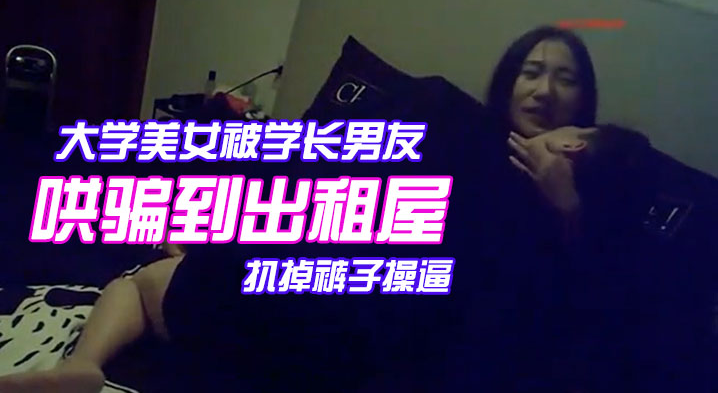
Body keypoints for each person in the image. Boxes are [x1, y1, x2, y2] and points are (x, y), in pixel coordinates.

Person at [0, 25, 610, 392]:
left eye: (564, 78)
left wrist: (567, 204)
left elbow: (575, 305)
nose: (544, 89)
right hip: (321, 277)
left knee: (148, 279)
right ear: (508, 84)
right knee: (159, 274)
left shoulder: (593, 186)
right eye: (532, 72)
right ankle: (85, 367)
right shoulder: (460, 128)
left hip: (383, 326)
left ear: (585, 106)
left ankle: (89, 359)